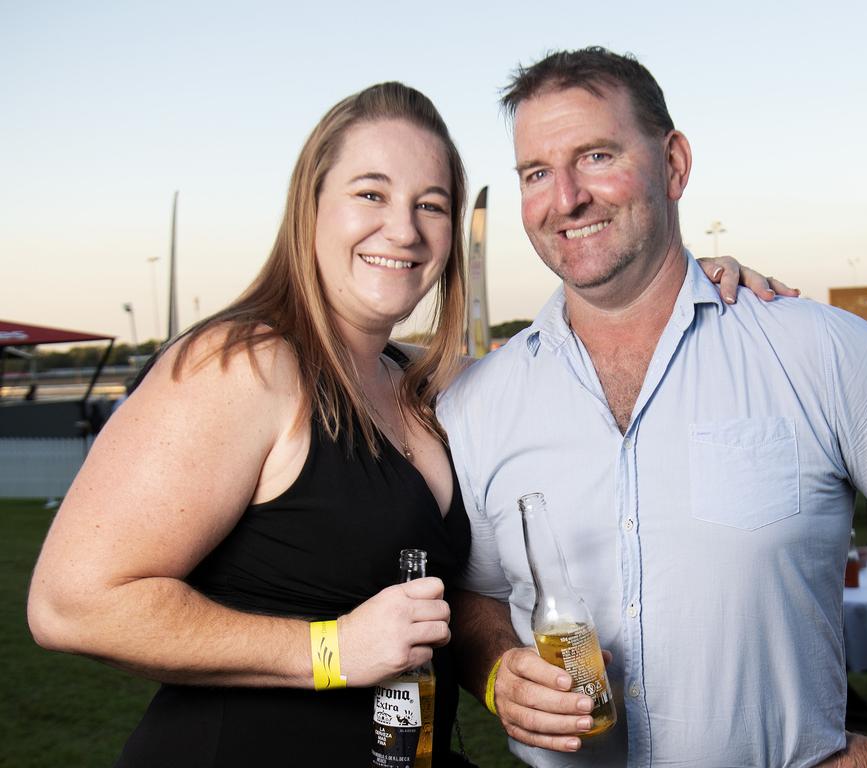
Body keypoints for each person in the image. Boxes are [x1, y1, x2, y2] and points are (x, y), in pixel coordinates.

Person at [26, 81, 777, 766]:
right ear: (311, 208)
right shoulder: (247, 364)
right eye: (371, 194)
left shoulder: (421, 383)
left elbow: (578, 353)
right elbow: (73, 603)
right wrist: (333, 651)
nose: (404, 230)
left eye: (431, 205)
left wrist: (686, 287)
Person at [438, 48, 867, 768]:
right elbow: (473, 596)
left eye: (595, 156)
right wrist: (499, 669)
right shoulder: (477, 404)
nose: (565, 198)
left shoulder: (815, 350)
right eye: (536, 173)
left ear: (674, 163)